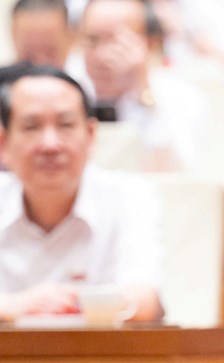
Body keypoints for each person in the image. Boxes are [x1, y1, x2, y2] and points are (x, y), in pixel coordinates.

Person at [0, 65, 164, 322]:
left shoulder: (130, 197)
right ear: (3, 143)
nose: (50, 144)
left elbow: (144, 299)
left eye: (65, 125)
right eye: (31, 127)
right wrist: (21, 303)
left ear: (90, 135)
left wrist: (66, 303)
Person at [78, 0, 207, 172]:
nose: (101, 55)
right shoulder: (68, 94)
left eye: (116, 42)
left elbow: (175, 179)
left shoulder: (182, 97)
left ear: (151, 43)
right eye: (92, 41)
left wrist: (143, 95)